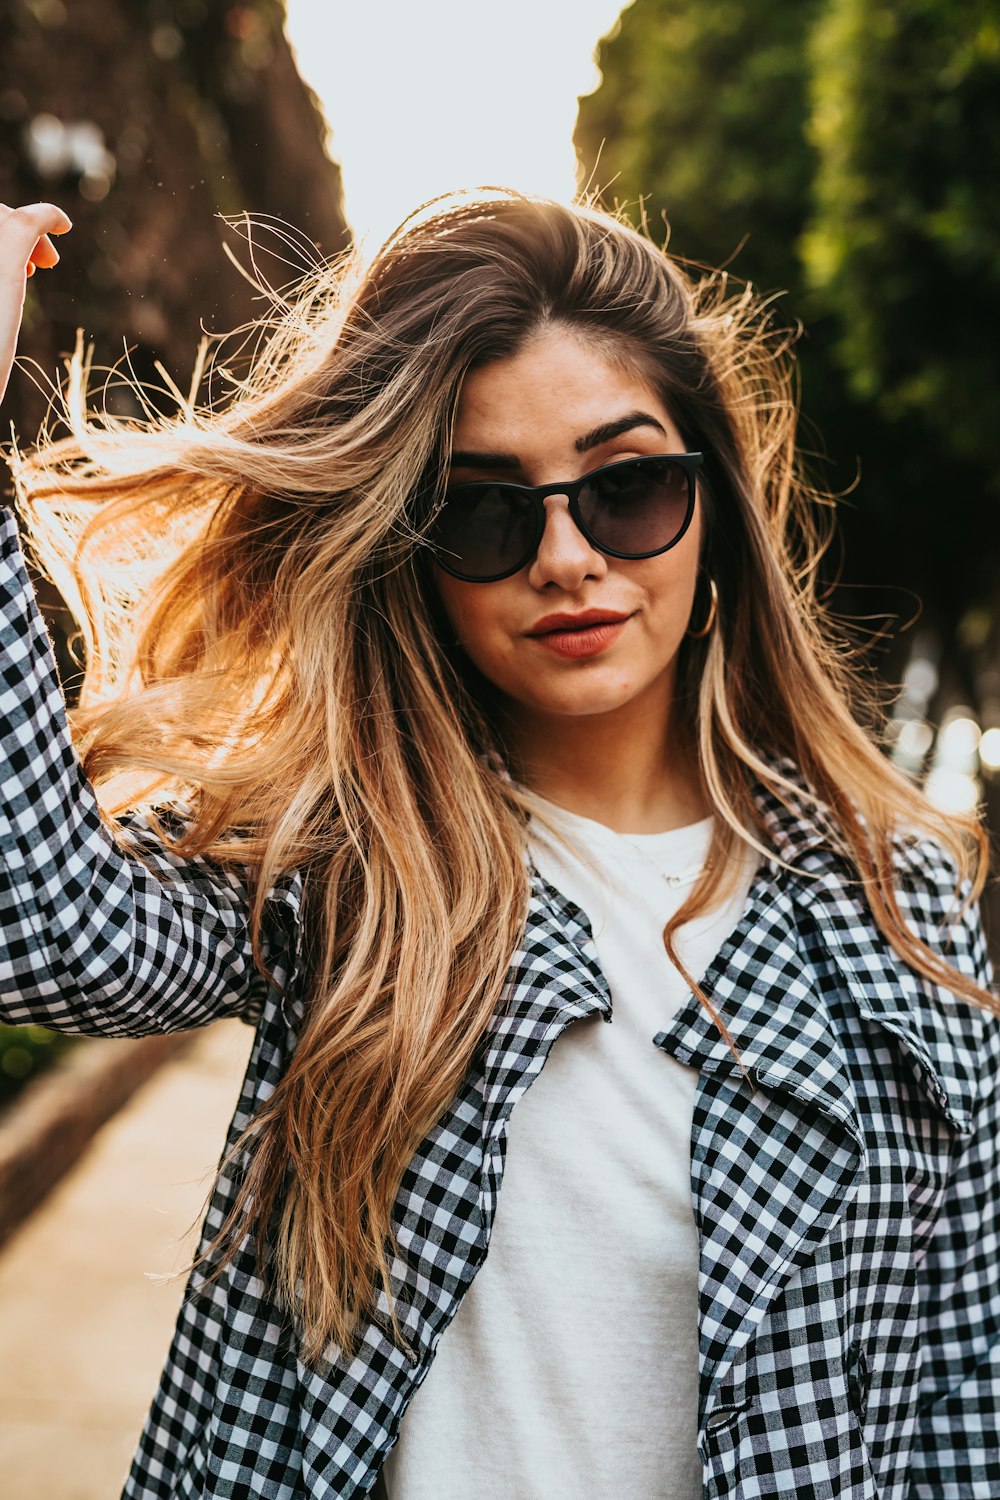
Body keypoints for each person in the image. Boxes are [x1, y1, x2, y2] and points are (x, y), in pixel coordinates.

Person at [1, 189, 998, 1500]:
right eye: (484, 513)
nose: (569, 557)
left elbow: (961, 1409)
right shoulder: (348, 859)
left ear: (715, 499)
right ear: (412, 556)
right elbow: (44, 931)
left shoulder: (900, 903)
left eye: (627, 488)